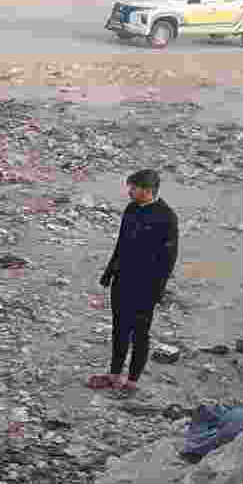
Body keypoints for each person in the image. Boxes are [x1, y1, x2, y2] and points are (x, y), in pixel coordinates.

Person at [92, 168, 179, 395]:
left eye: (133, 188)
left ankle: (132, 381)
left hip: (145, 286)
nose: (129, 191)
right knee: (119, 329)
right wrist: (109, 273)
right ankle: (114, 375)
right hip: (122, 280)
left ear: (148, 191)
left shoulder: (166, 217)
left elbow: (168, 260)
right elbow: (121, 245)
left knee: (140, 332)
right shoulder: (131, 210)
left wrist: (158, 291)